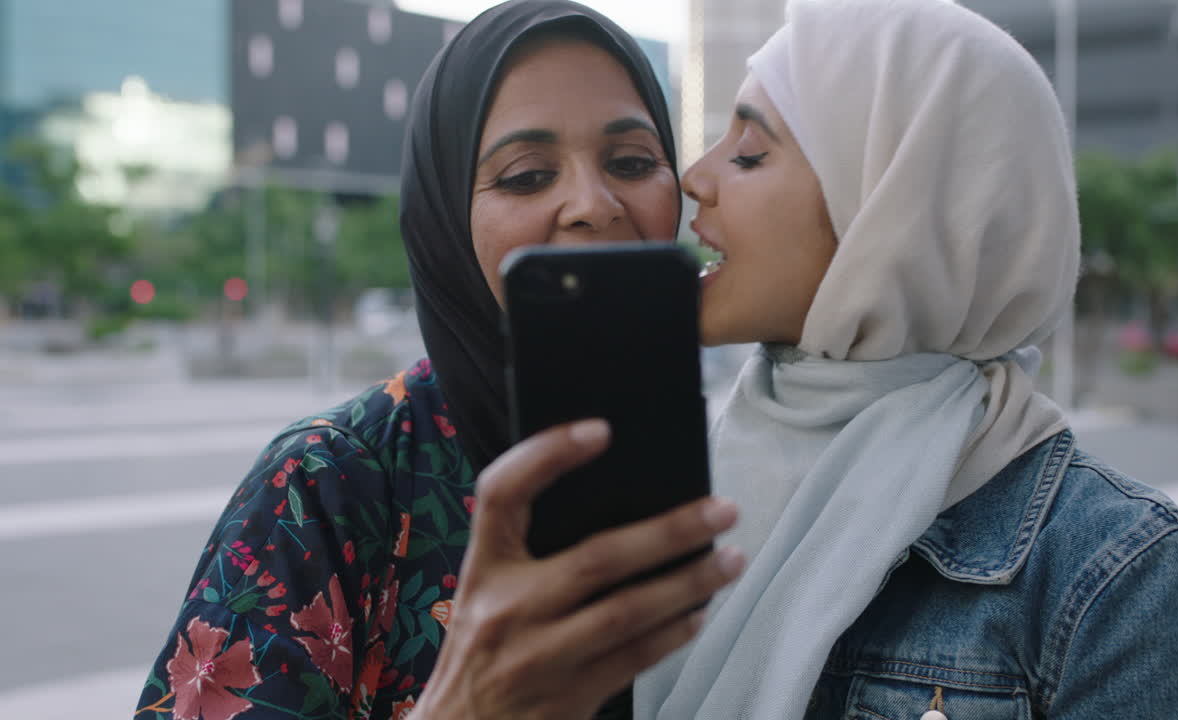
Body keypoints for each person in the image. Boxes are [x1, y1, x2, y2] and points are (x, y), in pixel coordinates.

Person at [632, 0, 1178, 718]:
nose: (696, 177)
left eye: (749, 153)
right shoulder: (665, 491)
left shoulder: (1115, 573)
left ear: (892, 211)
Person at [134, 3, 743, 719]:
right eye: (525, 175)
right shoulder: (327, 482)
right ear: (445, 215)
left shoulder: (732, 453)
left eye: (633, 162)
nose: (593, 203)